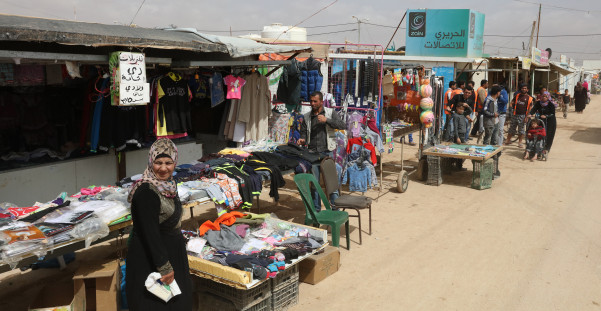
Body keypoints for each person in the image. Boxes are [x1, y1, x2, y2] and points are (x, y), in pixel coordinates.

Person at [126, 138, 192, 311]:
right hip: (152, 258)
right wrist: (164, 267)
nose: (163, 168)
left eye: (168, 163)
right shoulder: (146, 192)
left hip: (170, 252)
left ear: (175, 162)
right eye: (158, 162)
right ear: (151, 161)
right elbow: (150, 233)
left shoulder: (168, 185)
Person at [298, 91, 346, 211]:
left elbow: (342, 125)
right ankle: (317, 212)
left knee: (331, 183)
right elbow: (303, 132)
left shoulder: (330, 113)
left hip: (327, 153)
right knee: (315, 184)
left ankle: (335, 211)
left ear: (321, 101)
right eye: (311, 101)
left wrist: (327, 120)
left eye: (315, 101)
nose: (312, 103)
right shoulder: (307, 116)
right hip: (313, 154)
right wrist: (302, 139)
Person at [505, 84, 533, 148]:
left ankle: (520, 143)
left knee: (521, 130)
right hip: (515, 115)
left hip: (523, 116)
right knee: (511, 128)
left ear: (527, 90)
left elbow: (530, 108)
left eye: (525, 88)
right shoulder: (517, 96)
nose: (524, 89)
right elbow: (512, 102)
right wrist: (511, 109)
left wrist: (526, 117)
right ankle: (507, 140)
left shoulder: (529, 98)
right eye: (523, 88)